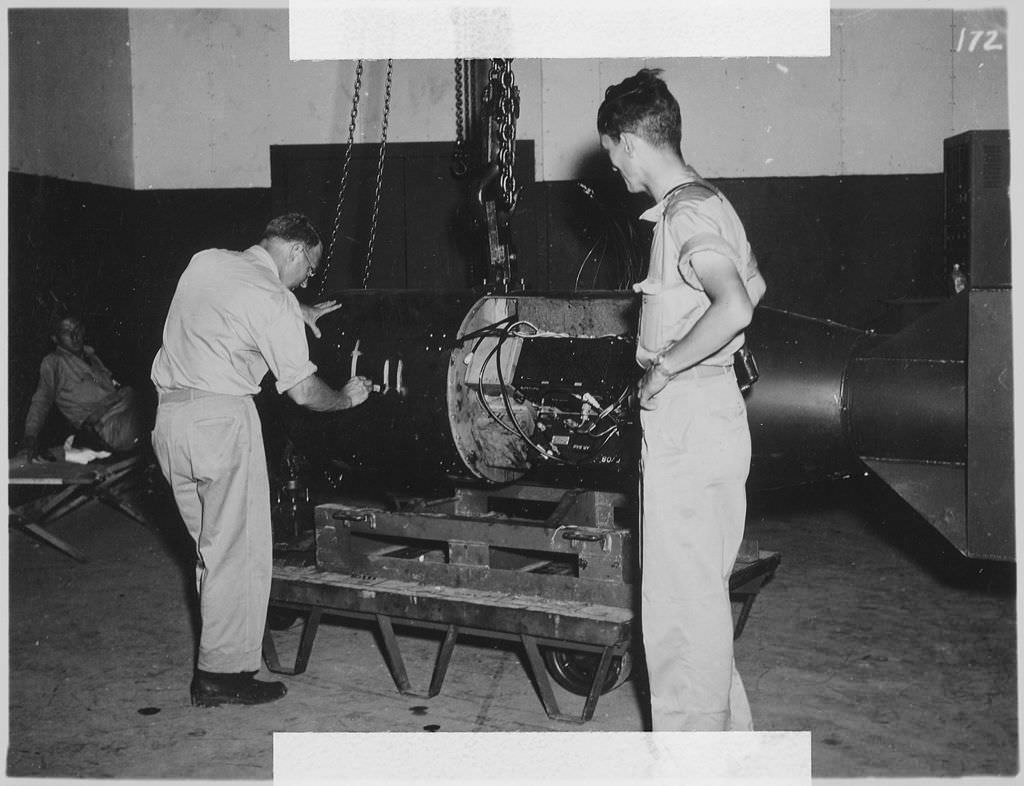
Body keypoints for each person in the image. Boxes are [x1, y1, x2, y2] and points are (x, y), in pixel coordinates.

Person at [597, 68, 767, 731]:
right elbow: (756, 287)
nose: (612, 165)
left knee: (677, 613)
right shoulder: (712, 201)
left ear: (629, 142)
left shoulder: (685, 214)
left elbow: (734, 305)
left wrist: (666, 366)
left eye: (611, 150)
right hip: (714, 412)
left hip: (688, 423)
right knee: (698, 603)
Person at [150, 213, 373, 707]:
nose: (306, 280)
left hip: (171, 421)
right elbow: (303, 393)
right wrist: (347, 397)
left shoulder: (207, 261)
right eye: (308, 270)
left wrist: (296, 311)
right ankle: (222, 676)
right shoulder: (273, 300)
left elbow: (239, 300)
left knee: (213, 550)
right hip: (222, 424)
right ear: (295, 252)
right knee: (240, 554)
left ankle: (222, 650)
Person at [19, 313, 146, 461]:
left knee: (140, 395)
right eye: (66, 332)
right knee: (147, 400)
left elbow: (113, 386)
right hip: (107, 425)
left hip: (123, 413)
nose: (75, 336)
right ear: (55, 338)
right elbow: (42, 400)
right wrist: (30, 436)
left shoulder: (92, 356)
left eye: (77, 329)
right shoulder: (54, 362)